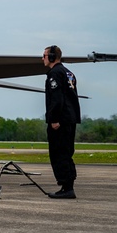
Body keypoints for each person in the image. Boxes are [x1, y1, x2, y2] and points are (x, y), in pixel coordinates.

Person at [43, 44, 80, 199]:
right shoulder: (68, 73)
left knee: (59, 153)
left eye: (44, 56)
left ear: (51, 57)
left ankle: (66, 188)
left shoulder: (55, 74)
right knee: (66, 152)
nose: (42, 59)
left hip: (60, 121)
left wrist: (54, 119)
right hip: (70, 120)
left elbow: (57, 99)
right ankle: (68, 186)